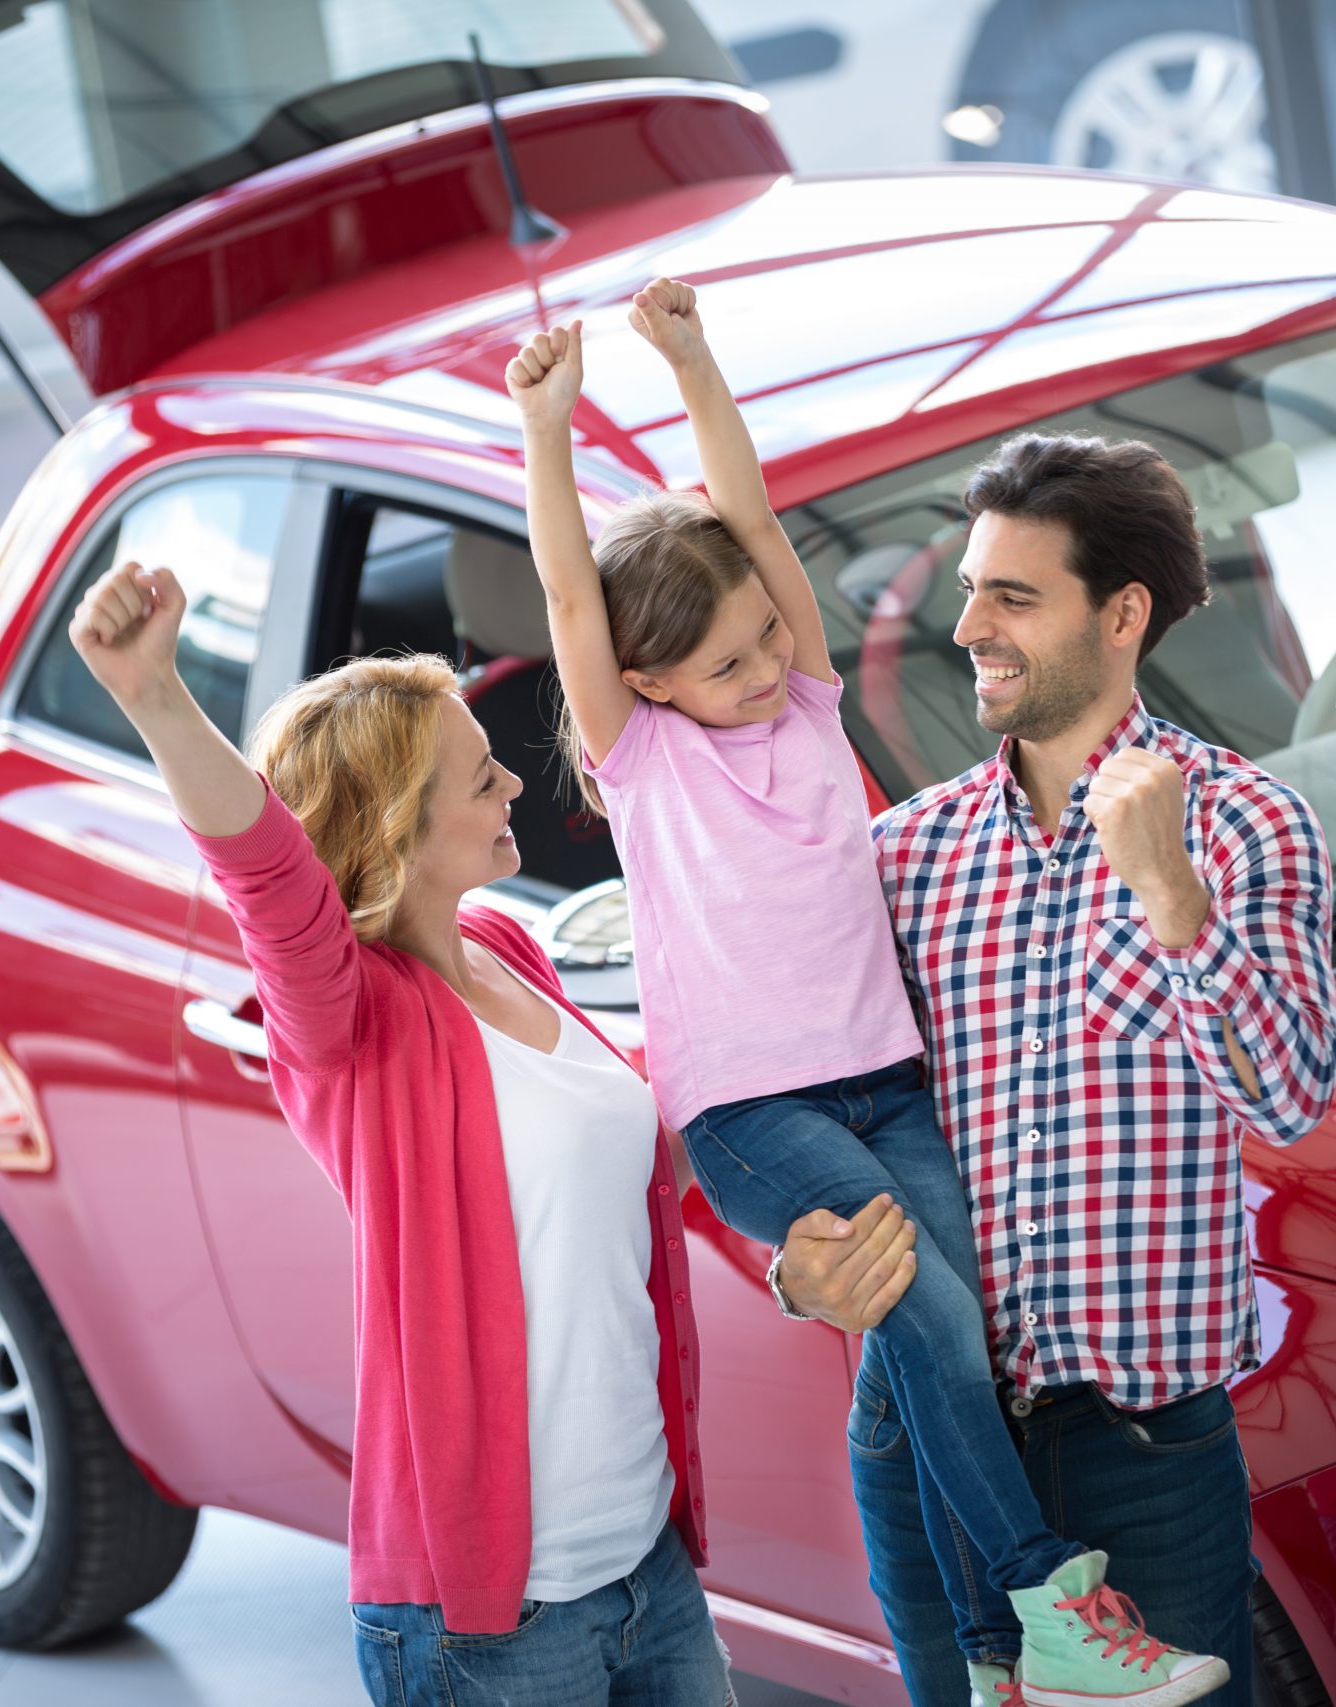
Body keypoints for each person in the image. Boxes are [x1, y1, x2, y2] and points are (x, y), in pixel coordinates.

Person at [509, 281, 1225, 1707]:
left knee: (960, 1329)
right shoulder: (649, 760)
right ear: (647, 682)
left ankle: (997, 1657)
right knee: (931, 1319)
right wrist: (547, 425)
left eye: (773, 638)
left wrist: (691, 361)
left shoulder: (809, 702)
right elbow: (566, 588)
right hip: (752, 1106)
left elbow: (756, 521)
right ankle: (1044, 1597)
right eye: (727, 663)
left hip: (882, 1079)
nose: (769, 663)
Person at [66, 564, 726, 1705]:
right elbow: (270, 882)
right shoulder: (350, 1028)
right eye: (481, 777)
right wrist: (157, 696)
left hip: (646, 1564)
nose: (515, 781)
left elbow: (624, 1171)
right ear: (397, 829)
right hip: (497, 1620)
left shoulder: (509, 952)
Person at [779, 431, 1336, 1707]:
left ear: (1121, 615)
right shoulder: (902, 857)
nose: (968, 624)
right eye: (971, 588)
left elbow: (1289, 1096)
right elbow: (812, 1108)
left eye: (1014, 597)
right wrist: (791, 1259)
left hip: (1139, 1451)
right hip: (923, 1427)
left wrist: (1168, 890)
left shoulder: (1247, 826)